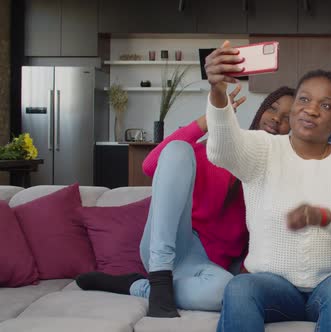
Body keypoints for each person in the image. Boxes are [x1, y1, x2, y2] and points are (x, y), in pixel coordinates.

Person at [205, 41, 331, 332]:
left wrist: (322, 216)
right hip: (276, 286)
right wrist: (217, 92)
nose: (311, 110)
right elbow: (221, 150)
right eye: (303, 100)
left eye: (325, 105)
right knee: (239, 287)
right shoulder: (263, 148)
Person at [76, 84, 295, 317]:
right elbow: (150, 165)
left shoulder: (277, 175)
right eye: (272, 108)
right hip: (170, 245)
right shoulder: (220, 147)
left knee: (227, 292)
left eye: (287, 117)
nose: (276, 119)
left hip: (204, 270)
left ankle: (137, 286)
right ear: (261, 110)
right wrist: (212, 118)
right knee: (178, 149)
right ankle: (159, 278)